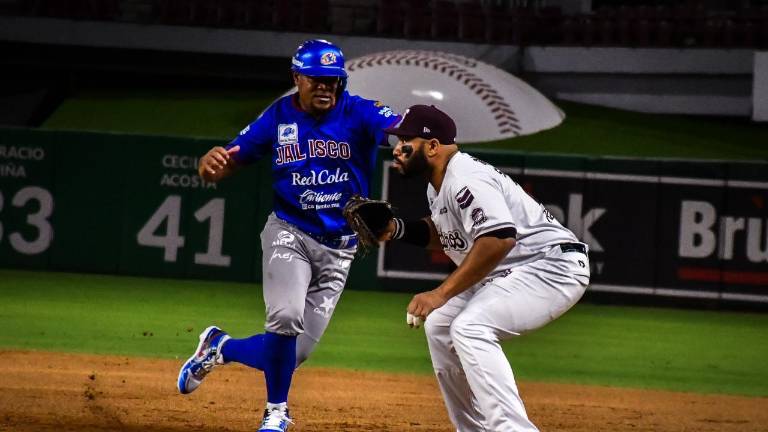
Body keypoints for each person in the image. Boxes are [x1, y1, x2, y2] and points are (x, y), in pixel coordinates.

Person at [177, 39, 400, 432]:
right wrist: (210, 165)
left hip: (340, 249)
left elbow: (399, 129)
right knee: (285, 317)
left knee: (290, 354)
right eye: (316, 80)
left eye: (333, 80)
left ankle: (220, 347)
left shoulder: (358, 111)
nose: (326, 87)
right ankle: (276, 411)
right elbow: (226, 163)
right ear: (297, 78)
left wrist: (410, 142)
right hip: (290, 232)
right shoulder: (279, 117)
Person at [381, 104, 590, 431]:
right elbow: (451, 235)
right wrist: (397, 229)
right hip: (515, 271)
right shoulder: (438, 183)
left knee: (469, 327)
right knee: (439, 327)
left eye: (406, 140)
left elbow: (498, 238)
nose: (397, 148)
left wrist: (440, 293)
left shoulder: (466, 178)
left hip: (551, 266)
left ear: (433, 146)